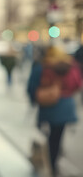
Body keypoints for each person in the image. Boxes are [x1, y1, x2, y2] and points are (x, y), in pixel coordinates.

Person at [27, 45, 82, 176]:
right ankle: (54, 159)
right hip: (66, 106)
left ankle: (50, 161)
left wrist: (34, 99)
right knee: (57, 135)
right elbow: (78, 83)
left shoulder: (42, 66)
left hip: (48, 105)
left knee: (47, 134)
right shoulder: (70, 65)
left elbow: (31, 87)